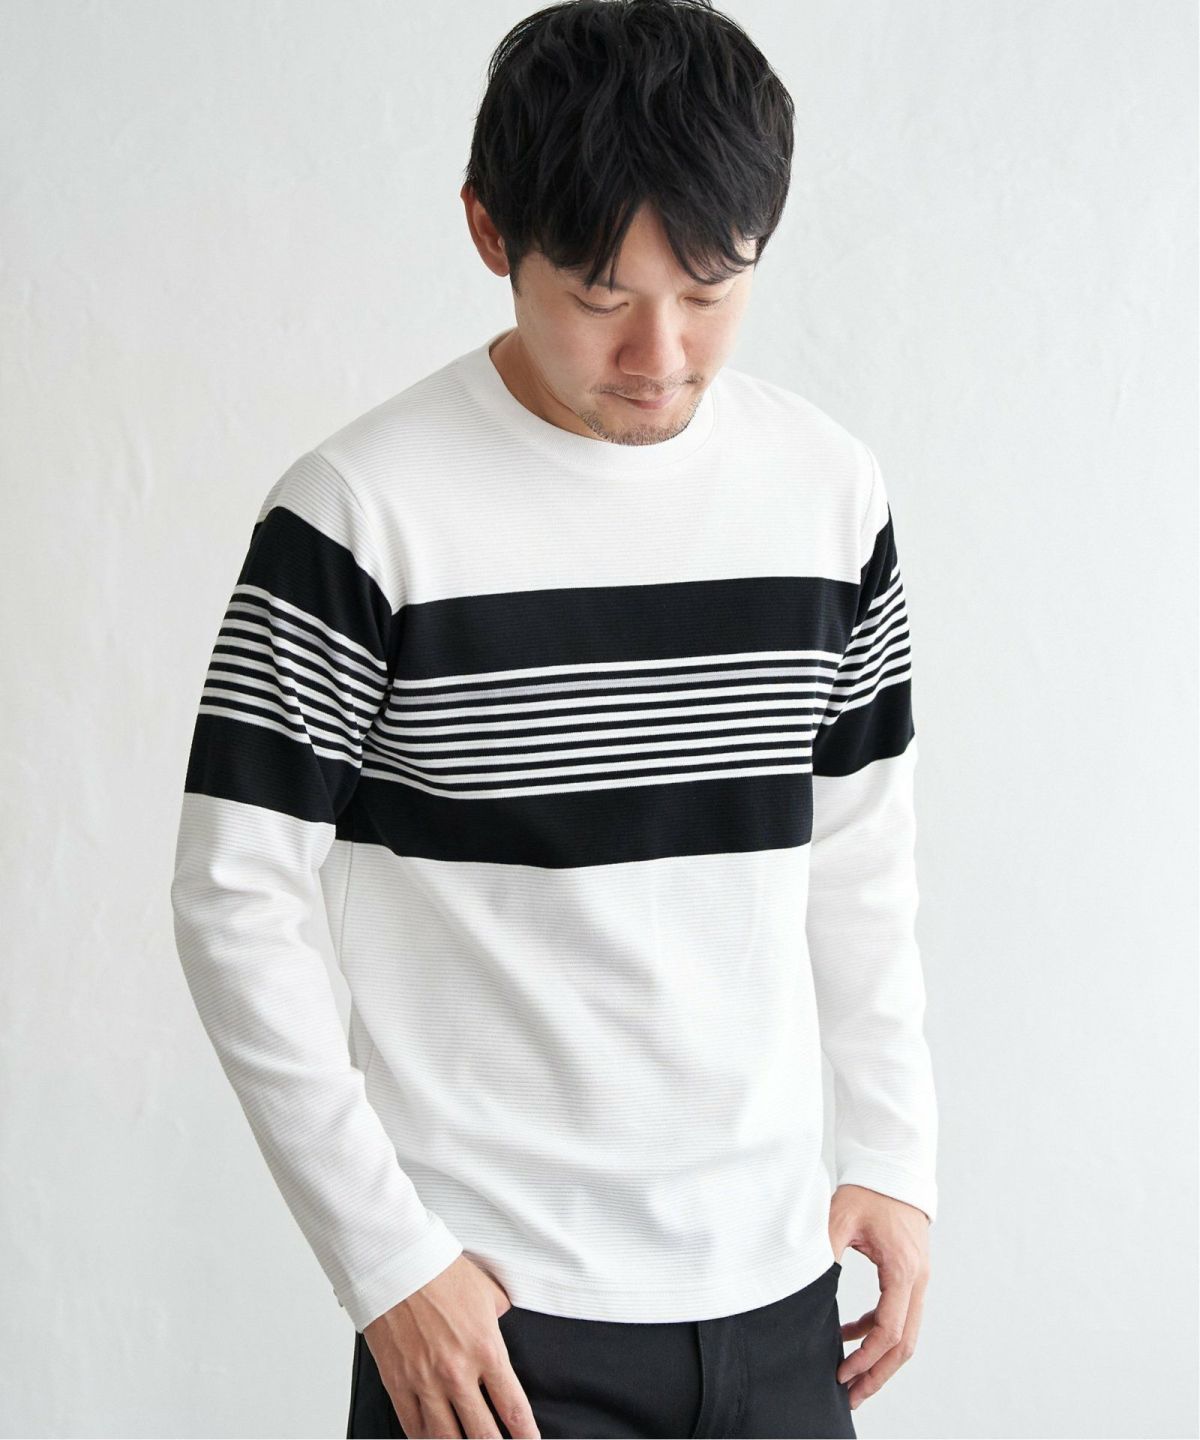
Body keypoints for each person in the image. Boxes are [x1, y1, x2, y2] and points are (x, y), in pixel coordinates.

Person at [169, 1, 939, 1436]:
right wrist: (387, 1264)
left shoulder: (830, 492)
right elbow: (234, 895)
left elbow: (858, 845)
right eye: (600, 295)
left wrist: (895, 1151)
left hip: (782, 1300)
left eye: (711, 289)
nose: (661, 352)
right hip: (496, 1331)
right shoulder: (358, 515)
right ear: (488, 230)